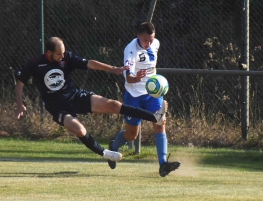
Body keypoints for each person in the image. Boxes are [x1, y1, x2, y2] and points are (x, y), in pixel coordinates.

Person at [15, 37, 166, 163]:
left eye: (64, 52)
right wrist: (20, 104)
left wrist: (112, 68)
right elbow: (20, 83)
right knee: (79, 130)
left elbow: (90, 63)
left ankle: (155, 117)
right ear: (49, 53)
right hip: (57, 107)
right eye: (59, 54)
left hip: (75, 96)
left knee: (114, 105)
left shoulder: (66, 57)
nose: (63, 56)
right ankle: (106, 154)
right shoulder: (35, 64)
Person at [108, 22, 181, 177]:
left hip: (153, 94)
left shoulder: (156, 44)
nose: (149, 44)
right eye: (146, 40)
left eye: (151, 39)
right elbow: (129, 77)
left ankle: (163, 165)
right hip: (133, 95)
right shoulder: (130, 50)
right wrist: (137, 78)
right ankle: (113, 147)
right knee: (131, 135)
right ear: (138, 36)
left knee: (160, 122)